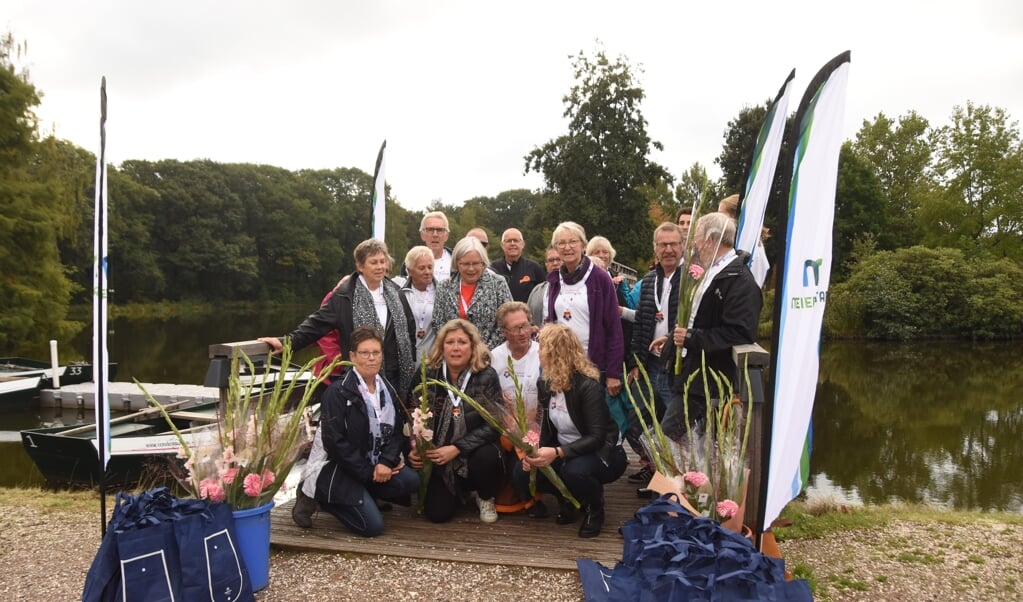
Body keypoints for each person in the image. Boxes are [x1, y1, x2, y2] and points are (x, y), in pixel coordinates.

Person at [291, 327, 420, 536]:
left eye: (376, 353)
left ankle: (365, 492)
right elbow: (334, 443)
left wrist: (386, 462)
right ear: (352, 356)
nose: (371, 358)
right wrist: (368, 472)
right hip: (340, 466)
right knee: (372, 528)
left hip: (373, 461)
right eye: (365, 353)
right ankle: (323, 497)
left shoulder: (386, 387)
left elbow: (396, 429)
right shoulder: (338, 392)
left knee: (411, 481)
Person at [260, 238, 416, 402]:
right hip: (359, 378)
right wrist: (286, 342)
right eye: (373, 262)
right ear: (360, 266)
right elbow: (315, 326)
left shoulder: (396, 293)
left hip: (396, 378)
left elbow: (409, 329)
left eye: (382, 262)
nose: (380, 267)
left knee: (393, 424)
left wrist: (409, 357)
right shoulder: (344, 297)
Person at [513, 324, 626, 538]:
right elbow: (545, 424)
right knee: (523, 471)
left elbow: (597, 437)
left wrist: (556, 453)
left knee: (573, 471)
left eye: (542, 348)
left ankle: (595, 507)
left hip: (603, 452)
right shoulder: (545, 383)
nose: (538, 352)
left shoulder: (587, 386)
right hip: (565, 448)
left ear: (553, 353)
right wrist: (534, 452)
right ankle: (567, 498)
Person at [661, 212, 762, 440]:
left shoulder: (740, 281)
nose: (694, 246)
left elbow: (740, 332)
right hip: (691, 373)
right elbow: (700, 316)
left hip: (706, 380)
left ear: (710, 239)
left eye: (696, 239)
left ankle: (671, 476)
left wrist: (690, 338)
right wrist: (673, 337)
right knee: (677, 443)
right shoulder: (711, 272)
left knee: (665, 441)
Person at [408, 319, 505, 524]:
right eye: (450, 342)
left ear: (472, 346)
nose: (455, 348)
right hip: (437, 454)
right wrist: (415, 445)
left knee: (487, 456)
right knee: (438, 515)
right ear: (442, 346)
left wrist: (457, 448)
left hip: (472, 452)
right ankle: (458, 490)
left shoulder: (486, 375)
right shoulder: (428, 372)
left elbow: (495, 424)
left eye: (462, 342)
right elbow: (411, 411)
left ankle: (485, 496)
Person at [625, 222, 685, 483]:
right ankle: (654, 469)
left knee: (674, 428)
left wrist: (672, 340)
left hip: (677, 366)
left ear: (683, 246)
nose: (668, 249)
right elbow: (642, 324)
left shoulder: (692, 279)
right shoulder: (649, 280)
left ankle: (675, 482)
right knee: (636, 422)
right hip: (650, 364)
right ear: (655, 248)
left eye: (673, 244)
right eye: (663, 244)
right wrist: (635, 361)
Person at [541, 222, 624, 398]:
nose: (567, 247)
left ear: (583, 245)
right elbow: (552, 323)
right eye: (561, 243)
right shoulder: (555, 280)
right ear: (556, 247)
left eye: (573, 241)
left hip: (593, 365)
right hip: (563, 367)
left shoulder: (600, 278)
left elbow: (614, 328)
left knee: (593, 421)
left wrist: (613, 373)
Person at [432, 237, 513, 350]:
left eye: (475, 263)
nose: (471, 269)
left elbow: (508, 320)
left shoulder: (498, 283)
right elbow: (438, 323)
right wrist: (454, 347)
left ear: (483, 263)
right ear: (457, 263)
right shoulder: (444, 287)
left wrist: (483, 350)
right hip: (455, 355)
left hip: (490, 356)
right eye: (465, 264)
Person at [490, 302, 541, 426]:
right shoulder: (494, 357)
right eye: (515, 328)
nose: (522, 333)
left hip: (539, 423)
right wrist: (497, 395)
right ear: (503, 332)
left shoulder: (543, 354)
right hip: (505, 426)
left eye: (525, 326)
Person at [718, 194, 770, 288]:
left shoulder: (754, 252)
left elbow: (752, 288)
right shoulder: (732, 246)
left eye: (721, 214)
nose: (717, 218)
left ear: (734, 216)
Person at [399, 246, 437, 364]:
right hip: (407, 359)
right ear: (410, 271)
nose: (427, 272)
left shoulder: (441, 293)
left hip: (432, 358)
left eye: (430, 267)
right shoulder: (400, 293)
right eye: (421, 268)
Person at [490, 228, 546, 303]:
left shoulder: (535, 268)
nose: (512, 244)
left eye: (516, 240)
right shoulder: (492, 269)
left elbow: (543, 296)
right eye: (509, 241)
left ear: (523, 244)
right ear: (502, 245)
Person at [586, 235, 638, 309]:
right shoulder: (584, 278)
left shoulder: (618, 280)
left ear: (610, 255)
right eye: (597, 252)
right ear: (590, 256)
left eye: (605, 252)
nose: (601, 255)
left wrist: (622, 288)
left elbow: (625, 308)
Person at [401, 211, 453, 282]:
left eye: (439, 230)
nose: (435, 234)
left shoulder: (457, 261)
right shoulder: (410, 262)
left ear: (446, 235)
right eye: (430, 230)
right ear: (422, 235)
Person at [527, 246, 561, 328]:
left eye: (559, 259)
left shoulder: (575, 289)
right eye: (551, 260)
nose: (555, 263)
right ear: (546, 265)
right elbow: (527, 318)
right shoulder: (537, 290)